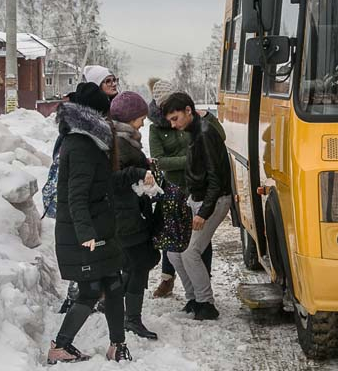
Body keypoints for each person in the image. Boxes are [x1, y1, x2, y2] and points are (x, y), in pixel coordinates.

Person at [47, 82, 150, 364]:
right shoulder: (79, 145)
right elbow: (76, 196)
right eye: (105, 113)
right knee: (91, 290)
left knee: (114, 284)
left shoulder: (93, 142)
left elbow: (103, 183)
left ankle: (117, 345)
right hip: (85, 234)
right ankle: (60, 346)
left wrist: (137, 172)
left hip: (101, 228)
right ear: (94, 114)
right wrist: (86, 234)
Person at [147, 79, 221, 298]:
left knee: (199, 240)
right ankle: (168, 279)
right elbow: (159, 161)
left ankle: (202, 285)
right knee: (173, 238)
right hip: (175, 188)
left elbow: (217, 139)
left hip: (197, 186)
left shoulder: (193, 120)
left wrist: (207, 116)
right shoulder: (158, 128)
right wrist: (192, 159)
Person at [161, 92, 232, 321]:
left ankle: (206, 304)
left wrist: (203, 212)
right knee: (175, 252)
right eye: (170, 121)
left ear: (188, 111)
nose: (173, 125)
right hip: (197, 198)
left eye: (175, 118)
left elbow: (216, 177)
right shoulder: (194, 133)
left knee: (190, 252)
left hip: (214, 200)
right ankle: (193, 298)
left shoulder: (204, 133)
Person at [109, 91, 161, 340]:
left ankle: (123, 310)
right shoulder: (118, 143)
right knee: (139, 262)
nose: (143, 122)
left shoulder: (121, 139)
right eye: (141, 117)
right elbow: (114, 179)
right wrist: (140, 172)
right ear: (130, 118)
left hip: (127, 213)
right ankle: (132, 319)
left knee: (132, 262)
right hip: (126, 216)